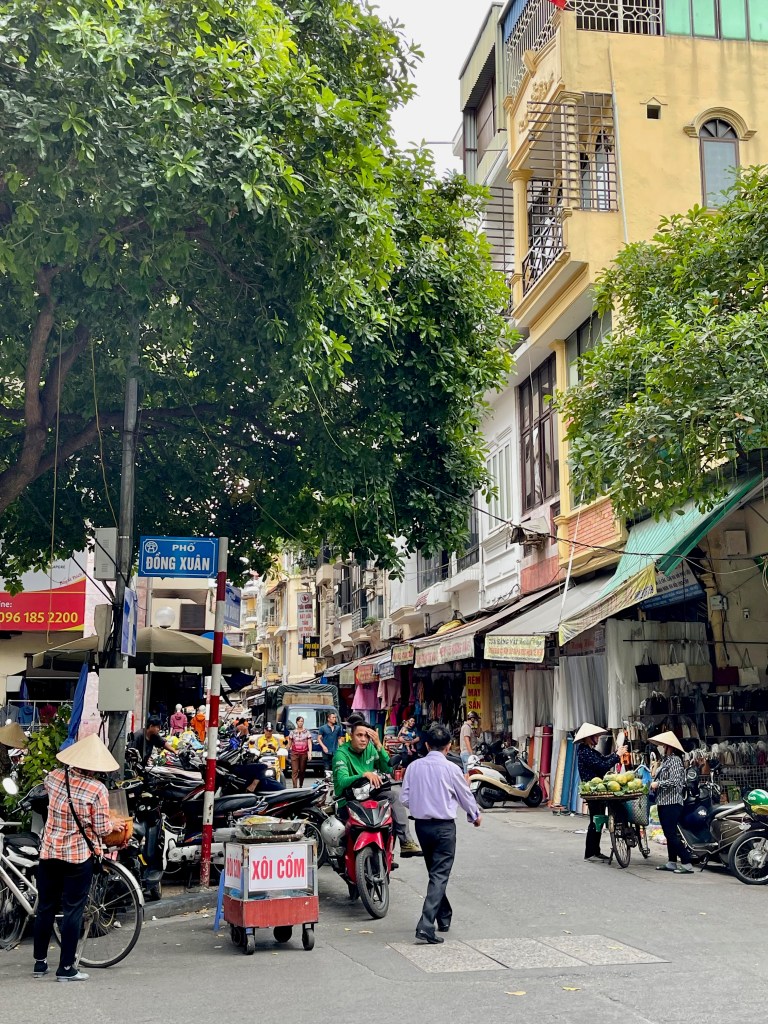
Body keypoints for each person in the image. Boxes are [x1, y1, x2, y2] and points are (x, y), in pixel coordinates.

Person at [32, 733, 123, 982]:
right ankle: (66, 968)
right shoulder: (98, 789)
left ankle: (40, 963)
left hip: (49, 852)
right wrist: (113, 825)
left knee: (46, 906)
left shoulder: (54, 777)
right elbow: (102, 828)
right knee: (73, 910)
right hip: (77, 857)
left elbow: (50, 796)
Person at [401, 724, 482, 943]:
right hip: (444, 828)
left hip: (422, 827)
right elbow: (465, 795)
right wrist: (474, 815)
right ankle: (426, 925)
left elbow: (405, 798)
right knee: (439, 874)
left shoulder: (413, 767)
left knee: (435, 872)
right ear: (448, 746)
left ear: (427, 745)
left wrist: (422, 804)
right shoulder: (451, 769)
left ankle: (444, 915)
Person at [332, 717, 421, 856]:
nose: (363, 739)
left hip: (370, 795)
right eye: (359, 735)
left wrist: (379, 746)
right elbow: (342, 781)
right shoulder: (341, 754)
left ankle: (405, 842)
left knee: (393, 797)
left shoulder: (370, 749)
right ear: (351, 735)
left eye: (366, 736)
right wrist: (364, 774)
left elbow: (388, 769)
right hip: (349, 799)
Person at [575, 722, 627, 861]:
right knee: (595, 820)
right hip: (593, 792)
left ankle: (595, 851)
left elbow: (603, 759)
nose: (598, 739)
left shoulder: (591, 751)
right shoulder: (584, 752)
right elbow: (602, 766)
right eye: (596, 736)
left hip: (598, 791)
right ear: (589, 737)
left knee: (597, 820)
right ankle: (591, 852)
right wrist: (617, 756)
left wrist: (616, 754)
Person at [649, 731, 694, 874]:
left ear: (670, 747)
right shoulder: (666, 760)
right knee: (669, 833)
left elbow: (675, 781)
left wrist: (658, 784)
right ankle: (671, 862)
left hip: (672, 802)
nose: (662, 747)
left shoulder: (675, 760)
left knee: (671, 834)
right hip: (663, 801)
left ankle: (687, 861)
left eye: (664, 745)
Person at [288, 716, 312, 788]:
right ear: (296, 722)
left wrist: (310, 752)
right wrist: (285, 751)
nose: (300, 723)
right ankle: (295, 787)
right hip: (294, 753)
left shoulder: (307, 732)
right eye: (299, 721)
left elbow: (309, 743)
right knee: (294, 770)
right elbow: (289, 743)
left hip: (303, 753)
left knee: (302, 770)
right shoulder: (292, 732)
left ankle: (301, 785)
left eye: (302, 721)